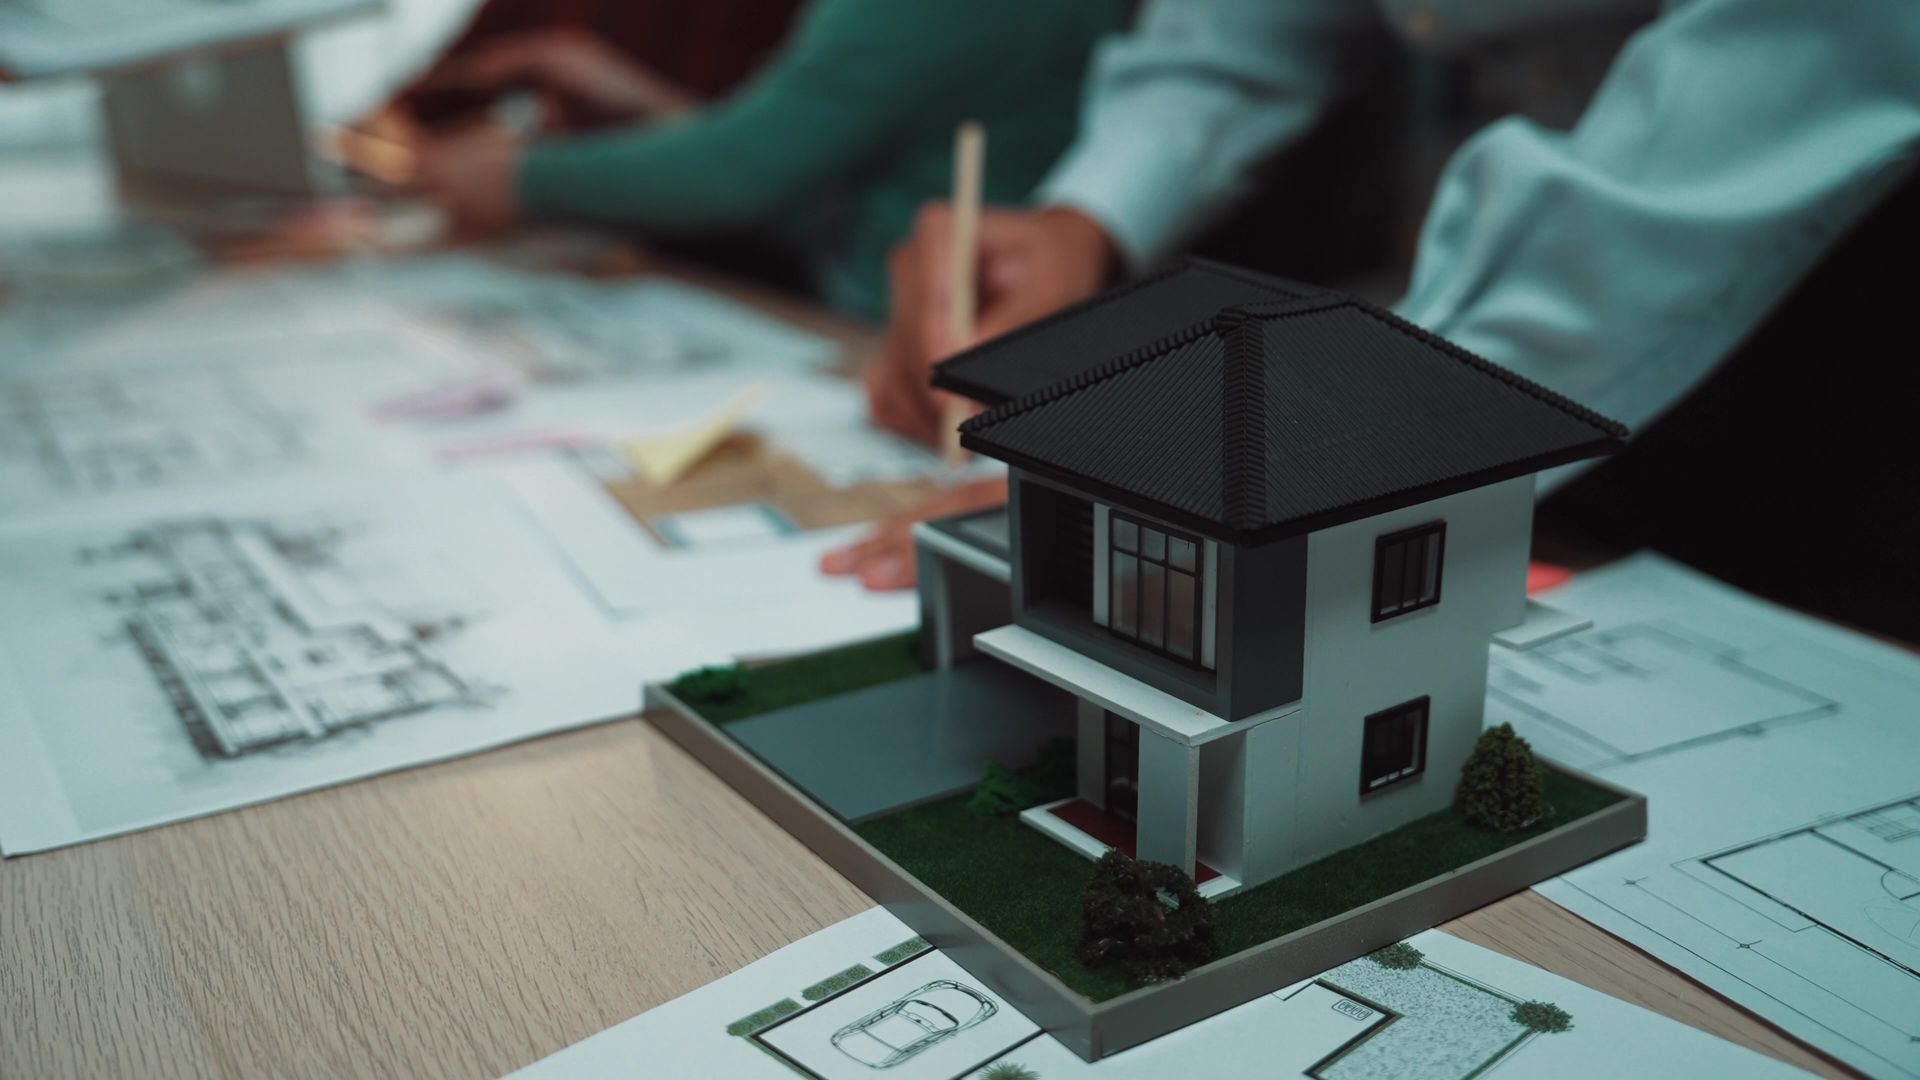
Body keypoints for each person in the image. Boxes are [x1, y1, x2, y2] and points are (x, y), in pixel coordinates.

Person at [826, 0, 1920, 602]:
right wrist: (1088, 216)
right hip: (1473, 329)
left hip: (1797, 335)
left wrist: (1280, 468)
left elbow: (1750, 102)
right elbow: (1249, 27)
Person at [407, 0, 1124, 321]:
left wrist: (518, 177)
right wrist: (659, 110)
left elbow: (748, 172)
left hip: (920, 330)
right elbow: (813, 149)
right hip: (875, 309)